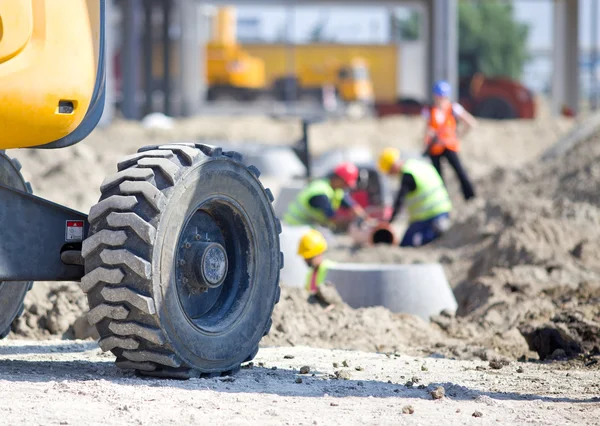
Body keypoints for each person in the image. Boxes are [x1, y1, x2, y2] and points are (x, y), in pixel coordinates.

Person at [378, 147, 452, 247]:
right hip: (441, 210)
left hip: (431, 216)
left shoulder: (408, 175)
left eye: (390, 172)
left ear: (393, 166)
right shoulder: (417, 165)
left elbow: (400, 200)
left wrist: (389, 222)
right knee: (406, 242)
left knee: (412, 244)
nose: (391, 175)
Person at [423, 80, 477, 201]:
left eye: (442, 96)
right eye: (438, 96)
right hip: (435, 147)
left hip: (449, 146)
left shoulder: (453, 108)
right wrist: (426, 142)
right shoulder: (430, 110)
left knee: (460, 171)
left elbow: (471, 122)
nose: (440, 99)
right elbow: (427, 129)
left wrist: (458, 136)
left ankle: (470, 196)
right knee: (437, 177)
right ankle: (442, 199)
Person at [284, 162, 370, 231]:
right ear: (338, 179)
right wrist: (352, 221)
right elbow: (333, 218)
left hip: (308, 225)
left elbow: (352, 206)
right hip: (295, 226)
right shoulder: (320, 192)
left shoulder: (336, 190)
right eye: (345, 184)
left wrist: (364, 217)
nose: (346, 187)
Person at [297, 228, 342, 309]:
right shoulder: (310, 274)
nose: (306, 261)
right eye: (305, 258)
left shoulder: (331, 269)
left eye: (309, 258)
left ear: (318, 253)